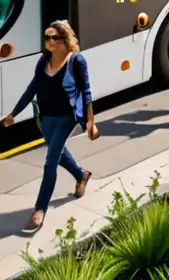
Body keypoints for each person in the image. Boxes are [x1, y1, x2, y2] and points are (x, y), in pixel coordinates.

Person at [3, 21, 98, 233]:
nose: (49, 42)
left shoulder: (76, 61)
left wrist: (91, 122)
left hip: (66, 117)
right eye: (47, 37)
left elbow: (87, 92)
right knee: (58, 152)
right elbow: (32, 88)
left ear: (65, 40)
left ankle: (40, 209)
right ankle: (81, 174)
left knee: (50, 161)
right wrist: (14, 114)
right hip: (45, 117)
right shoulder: (44, 60)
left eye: (54, 37)